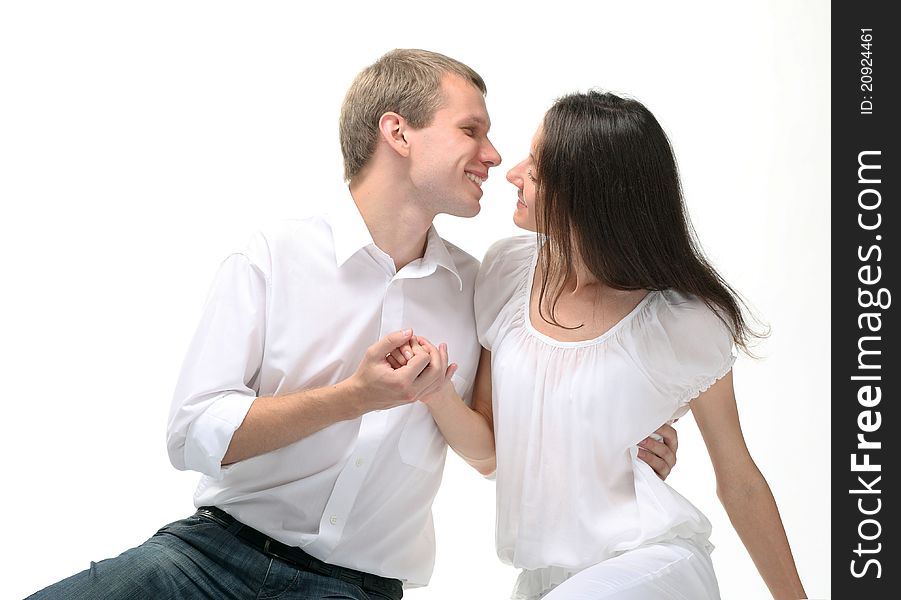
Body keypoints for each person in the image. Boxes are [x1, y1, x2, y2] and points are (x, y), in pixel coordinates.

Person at [26, 51, 677, 600]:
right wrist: (354, 397)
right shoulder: (274, 257)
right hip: (204, 561)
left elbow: (495, 449)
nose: (492, 154)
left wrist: (623, 446)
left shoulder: (478, 287)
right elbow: (191, 434)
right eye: (470, 130)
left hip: (355, 587)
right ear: (398, 133)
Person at [411, 91, 808, 599]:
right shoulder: (507, 272)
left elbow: (739, 478)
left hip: (649, 564)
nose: (513, 173)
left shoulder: (682, 320)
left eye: (536, 168)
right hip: (545, 580)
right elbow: (491, 454)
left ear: (586, 192)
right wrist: (435, 392)